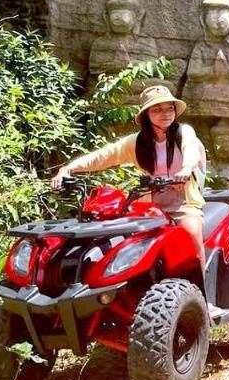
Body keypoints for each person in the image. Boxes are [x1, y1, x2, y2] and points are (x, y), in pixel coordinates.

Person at [52, 85, 209, 257]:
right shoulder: (137, 142)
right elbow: (104, 156)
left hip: (183, 202)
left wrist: (186, 169)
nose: (165, 113)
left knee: (192, 233)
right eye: (157, 109)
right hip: (149, 205)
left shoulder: (183, 132)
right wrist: (69, 168)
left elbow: (192, 150)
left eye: (169, 108)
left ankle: (199, 283)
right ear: (146, 114)